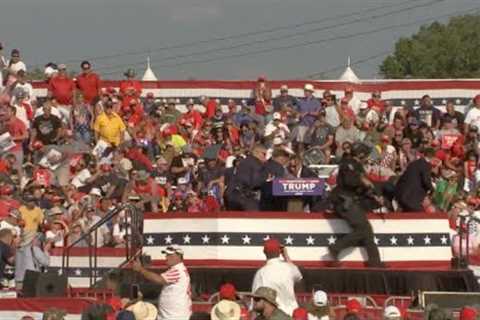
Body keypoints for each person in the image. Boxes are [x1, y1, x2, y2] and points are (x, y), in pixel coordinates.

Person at [328, 142, 383, 268]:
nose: (368, 156)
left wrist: (375, 196)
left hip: (352, 200)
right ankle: (336, 248)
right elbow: (350, 181)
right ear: (361, 154)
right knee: (363, 229)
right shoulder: (348, 164)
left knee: (367, 231)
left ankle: (375, 262)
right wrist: (362, 180)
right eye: (366, 154)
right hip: (345, 201)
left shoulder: (357, 166)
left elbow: (364, 187)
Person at [132, 244, 192, 320]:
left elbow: (159, 279)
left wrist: (141, 269)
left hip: (175, 317)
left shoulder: (178, 271)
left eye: (170, 255)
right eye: (166, 255)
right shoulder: (178, 270)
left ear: (178, 256)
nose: (166, 257)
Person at [252, 238, 302, 316]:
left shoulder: (261, 273)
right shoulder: (289, 268)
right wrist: (286, 256)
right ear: (279, 251)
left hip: (272, 316)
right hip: (291, 314)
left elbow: (255, 301)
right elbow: (299, 276)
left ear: (264, 252)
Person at [225, 144, 269, 211]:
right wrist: (267, 179)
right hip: (241, 195)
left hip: (230, 195)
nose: (265, 157)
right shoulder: (256, 163)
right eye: (264, 154)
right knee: (256, 215)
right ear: (256, 152)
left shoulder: (246, 161)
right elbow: (256, 182)